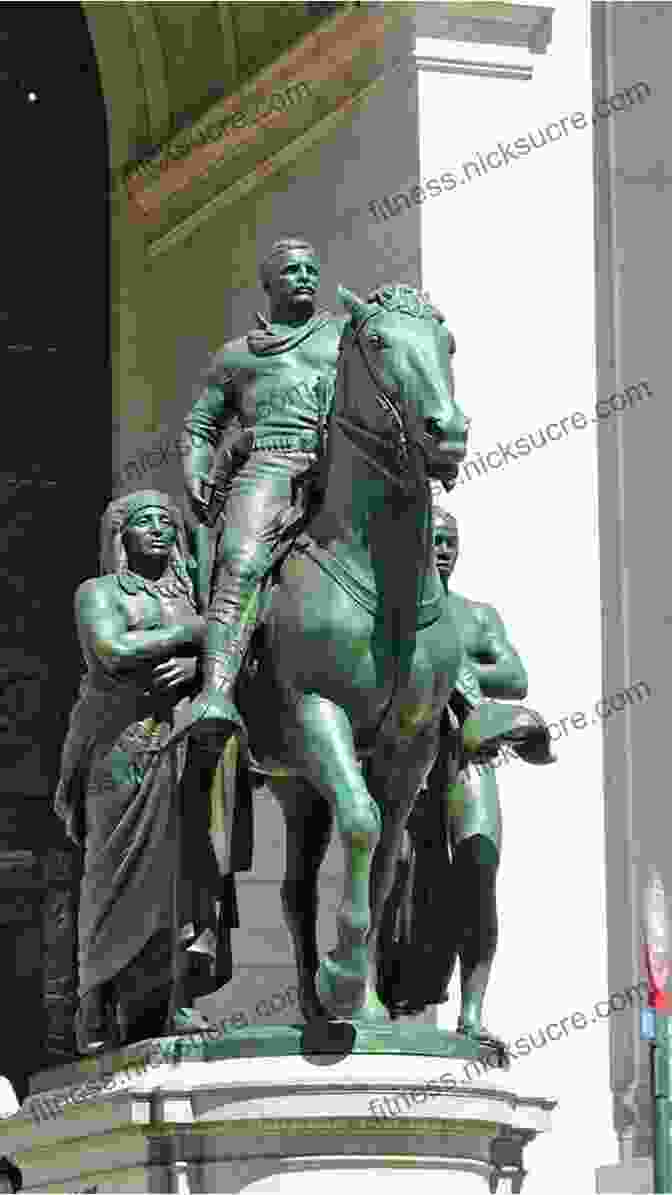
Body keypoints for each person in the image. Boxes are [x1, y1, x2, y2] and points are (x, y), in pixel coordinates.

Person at [54, 490, 229, 1053]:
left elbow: (230, 655)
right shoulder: (99, 593)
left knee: (186, 873)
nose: (158, 530)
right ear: (120, 537)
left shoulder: (192, 596)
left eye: (166, 523)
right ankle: (96, 999)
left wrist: (202, 662)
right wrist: (195, 634)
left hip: (184, 748)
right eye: (144, 522)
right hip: (120, 749)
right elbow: (110, 648)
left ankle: (177, 1000)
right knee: (113, 878)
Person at [379, 506, 552, 1045]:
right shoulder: (391, 610)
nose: (445, 548)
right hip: (409, 755)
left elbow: (516, 676)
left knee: (479, 873)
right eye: (434, 539)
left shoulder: (477, 615)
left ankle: (473, 1015)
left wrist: (451, 664)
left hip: (467, 757)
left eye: (452, 540)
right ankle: (383, 998)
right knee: (395, 877)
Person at [180, 237, 348, 746]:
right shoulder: (238, 355)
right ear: (270, 283)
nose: (304, 278)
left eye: (310, 270)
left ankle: (462, 692)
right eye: (292, 270)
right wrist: (195, 465)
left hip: (338, 460)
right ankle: (217, 693)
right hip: (268, 465)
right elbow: (202, 423)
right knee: (242, 560)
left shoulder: (345, 337)